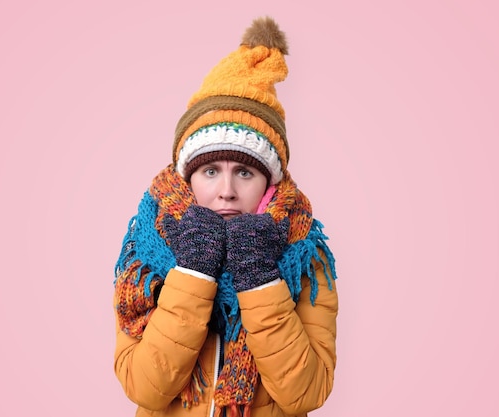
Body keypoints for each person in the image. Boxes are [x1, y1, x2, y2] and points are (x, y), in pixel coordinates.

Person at [113, 16, 338, 417]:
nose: (227, 190)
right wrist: (193, 272)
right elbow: (144, 387)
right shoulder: (149, 254)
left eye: (245, 172)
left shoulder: (303, 256)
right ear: (188, 178)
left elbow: (307, 392)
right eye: (211, 171)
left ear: (270, 181)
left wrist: (260, 277)